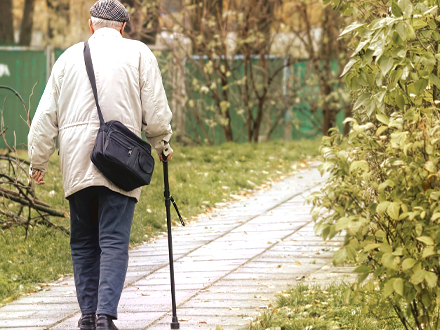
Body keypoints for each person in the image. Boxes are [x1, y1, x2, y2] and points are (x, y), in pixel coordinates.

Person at [28, 0, 173, 329]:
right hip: (120, 162)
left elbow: (44, 118)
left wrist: (39, 160)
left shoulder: (67, 59)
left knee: (82, 242)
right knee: (113, 240)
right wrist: (162, 144)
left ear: (91, 25)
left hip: (77, 164)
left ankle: (87, 317)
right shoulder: (138, 54)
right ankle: (106, 316)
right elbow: (155, 108)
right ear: (123, 27)